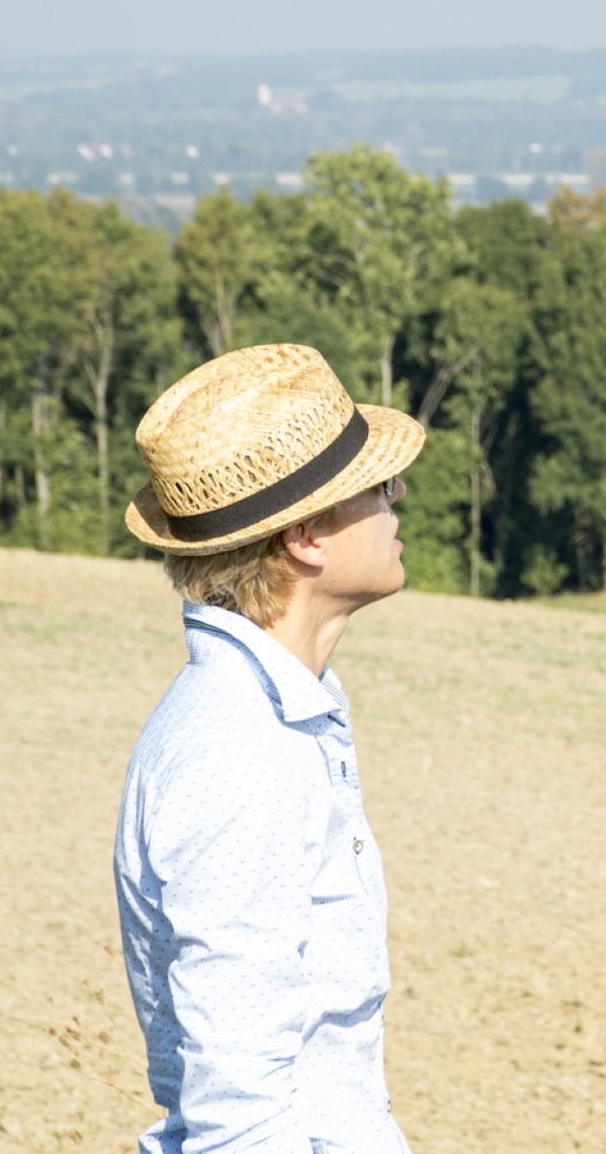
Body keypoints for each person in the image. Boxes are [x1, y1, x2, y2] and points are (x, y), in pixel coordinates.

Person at [114, 343, 425, 1154]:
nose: (398, 497)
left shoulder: (278, 711)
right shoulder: (239, 751)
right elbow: (237, 1111)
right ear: (306, 539)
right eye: (375, 487)